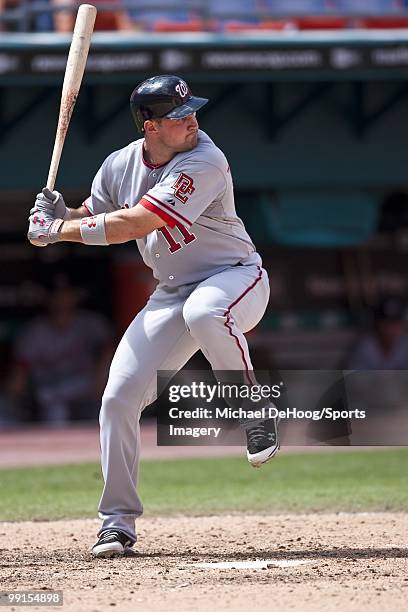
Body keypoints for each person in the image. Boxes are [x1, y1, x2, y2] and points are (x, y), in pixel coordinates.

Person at [27, 74, 279, 558]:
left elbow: (136, 224)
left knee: (207, 311)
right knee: (118, 398)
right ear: (150, 127)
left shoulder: (204, 158)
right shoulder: (119, 165)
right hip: (171, 292)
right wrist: (60, 214)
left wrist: (58, 231)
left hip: (235, 277)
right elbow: (91, 213)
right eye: (178, 116)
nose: (192, 122)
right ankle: (116, 524)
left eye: (192, 112)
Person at [8, 275, 113, 424]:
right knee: (53, 404)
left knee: (106, 405)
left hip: (86, 387)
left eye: (66, 293)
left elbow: (109, 353)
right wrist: (14, 399)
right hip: (50, 391)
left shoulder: (92, 323)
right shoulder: (33, 332)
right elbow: (19, 376)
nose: (61, 299)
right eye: (56, 294)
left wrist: (102, 379)